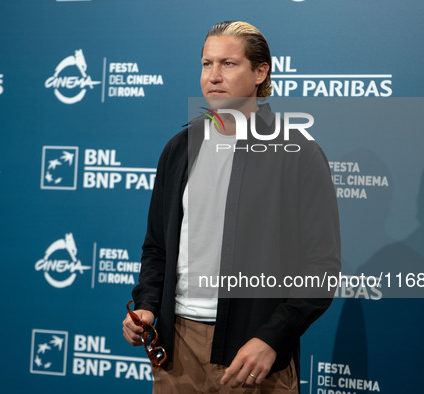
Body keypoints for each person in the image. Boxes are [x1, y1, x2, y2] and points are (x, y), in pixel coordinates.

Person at [123, 21, 340, 393]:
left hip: (253, 356)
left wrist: (273, 339)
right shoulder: (179, 148)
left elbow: (321, 267)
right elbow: (157, 247)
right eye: (207, 64)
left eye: (228, 64)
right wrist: (145, 306)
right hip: (177, 350)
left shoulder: (298, 153)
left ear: (260, 72)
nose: (214, 76)